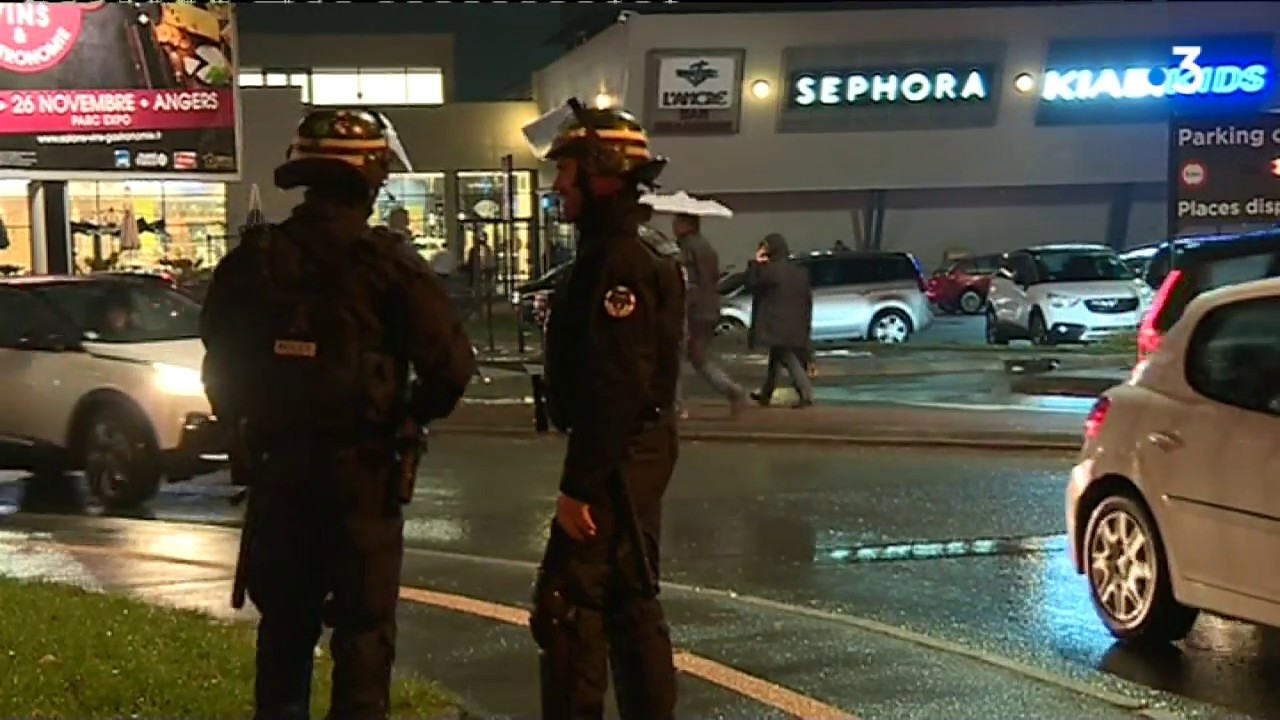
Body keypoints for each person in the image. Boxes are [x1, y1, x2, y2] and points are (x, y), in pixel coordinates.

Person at [199, 108, 476, 720]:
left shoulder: (253, 260)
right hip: (366, 476)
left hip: (280, 475)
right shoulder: (392, 265)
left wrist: (245, 430)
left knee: (285, 636)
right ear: (372, 177)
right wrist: (407, 418)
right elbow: (452, 367)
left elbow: (219, 362)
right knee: (363, 637)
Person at [529, 101, 684, 719]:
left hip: (616, 460)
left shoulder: (617, 259)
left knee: (569, 605)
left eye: (567, 170)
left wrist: (579, 488)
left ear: (603, 173)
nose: (558, 184)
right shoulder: (630, 250)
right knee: (630, 599)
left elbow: (615, 387)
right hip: (633, 454)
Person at [672, 213, 746, 416]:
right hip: (708, 308)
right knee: (698, 357)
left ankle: (676, 406)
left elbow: (690, 280)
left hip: (694, 309)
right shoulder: (705, 247)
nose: (673, 225)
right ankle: (732, 390)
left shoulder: (688, 248)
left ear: (687, 225)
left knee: (676, 355)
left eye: (677, 222)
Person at [746, 233, 815, 408]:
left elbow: (752, 284)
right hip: (796, 320)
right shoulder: (799, 271)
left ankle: (805, 392)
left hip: (776, 321)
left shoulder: (771, 270)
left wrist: (756, 262)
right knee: (776, 356)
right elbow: (807, 299)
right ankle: (766, 393)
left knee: (785, 356)